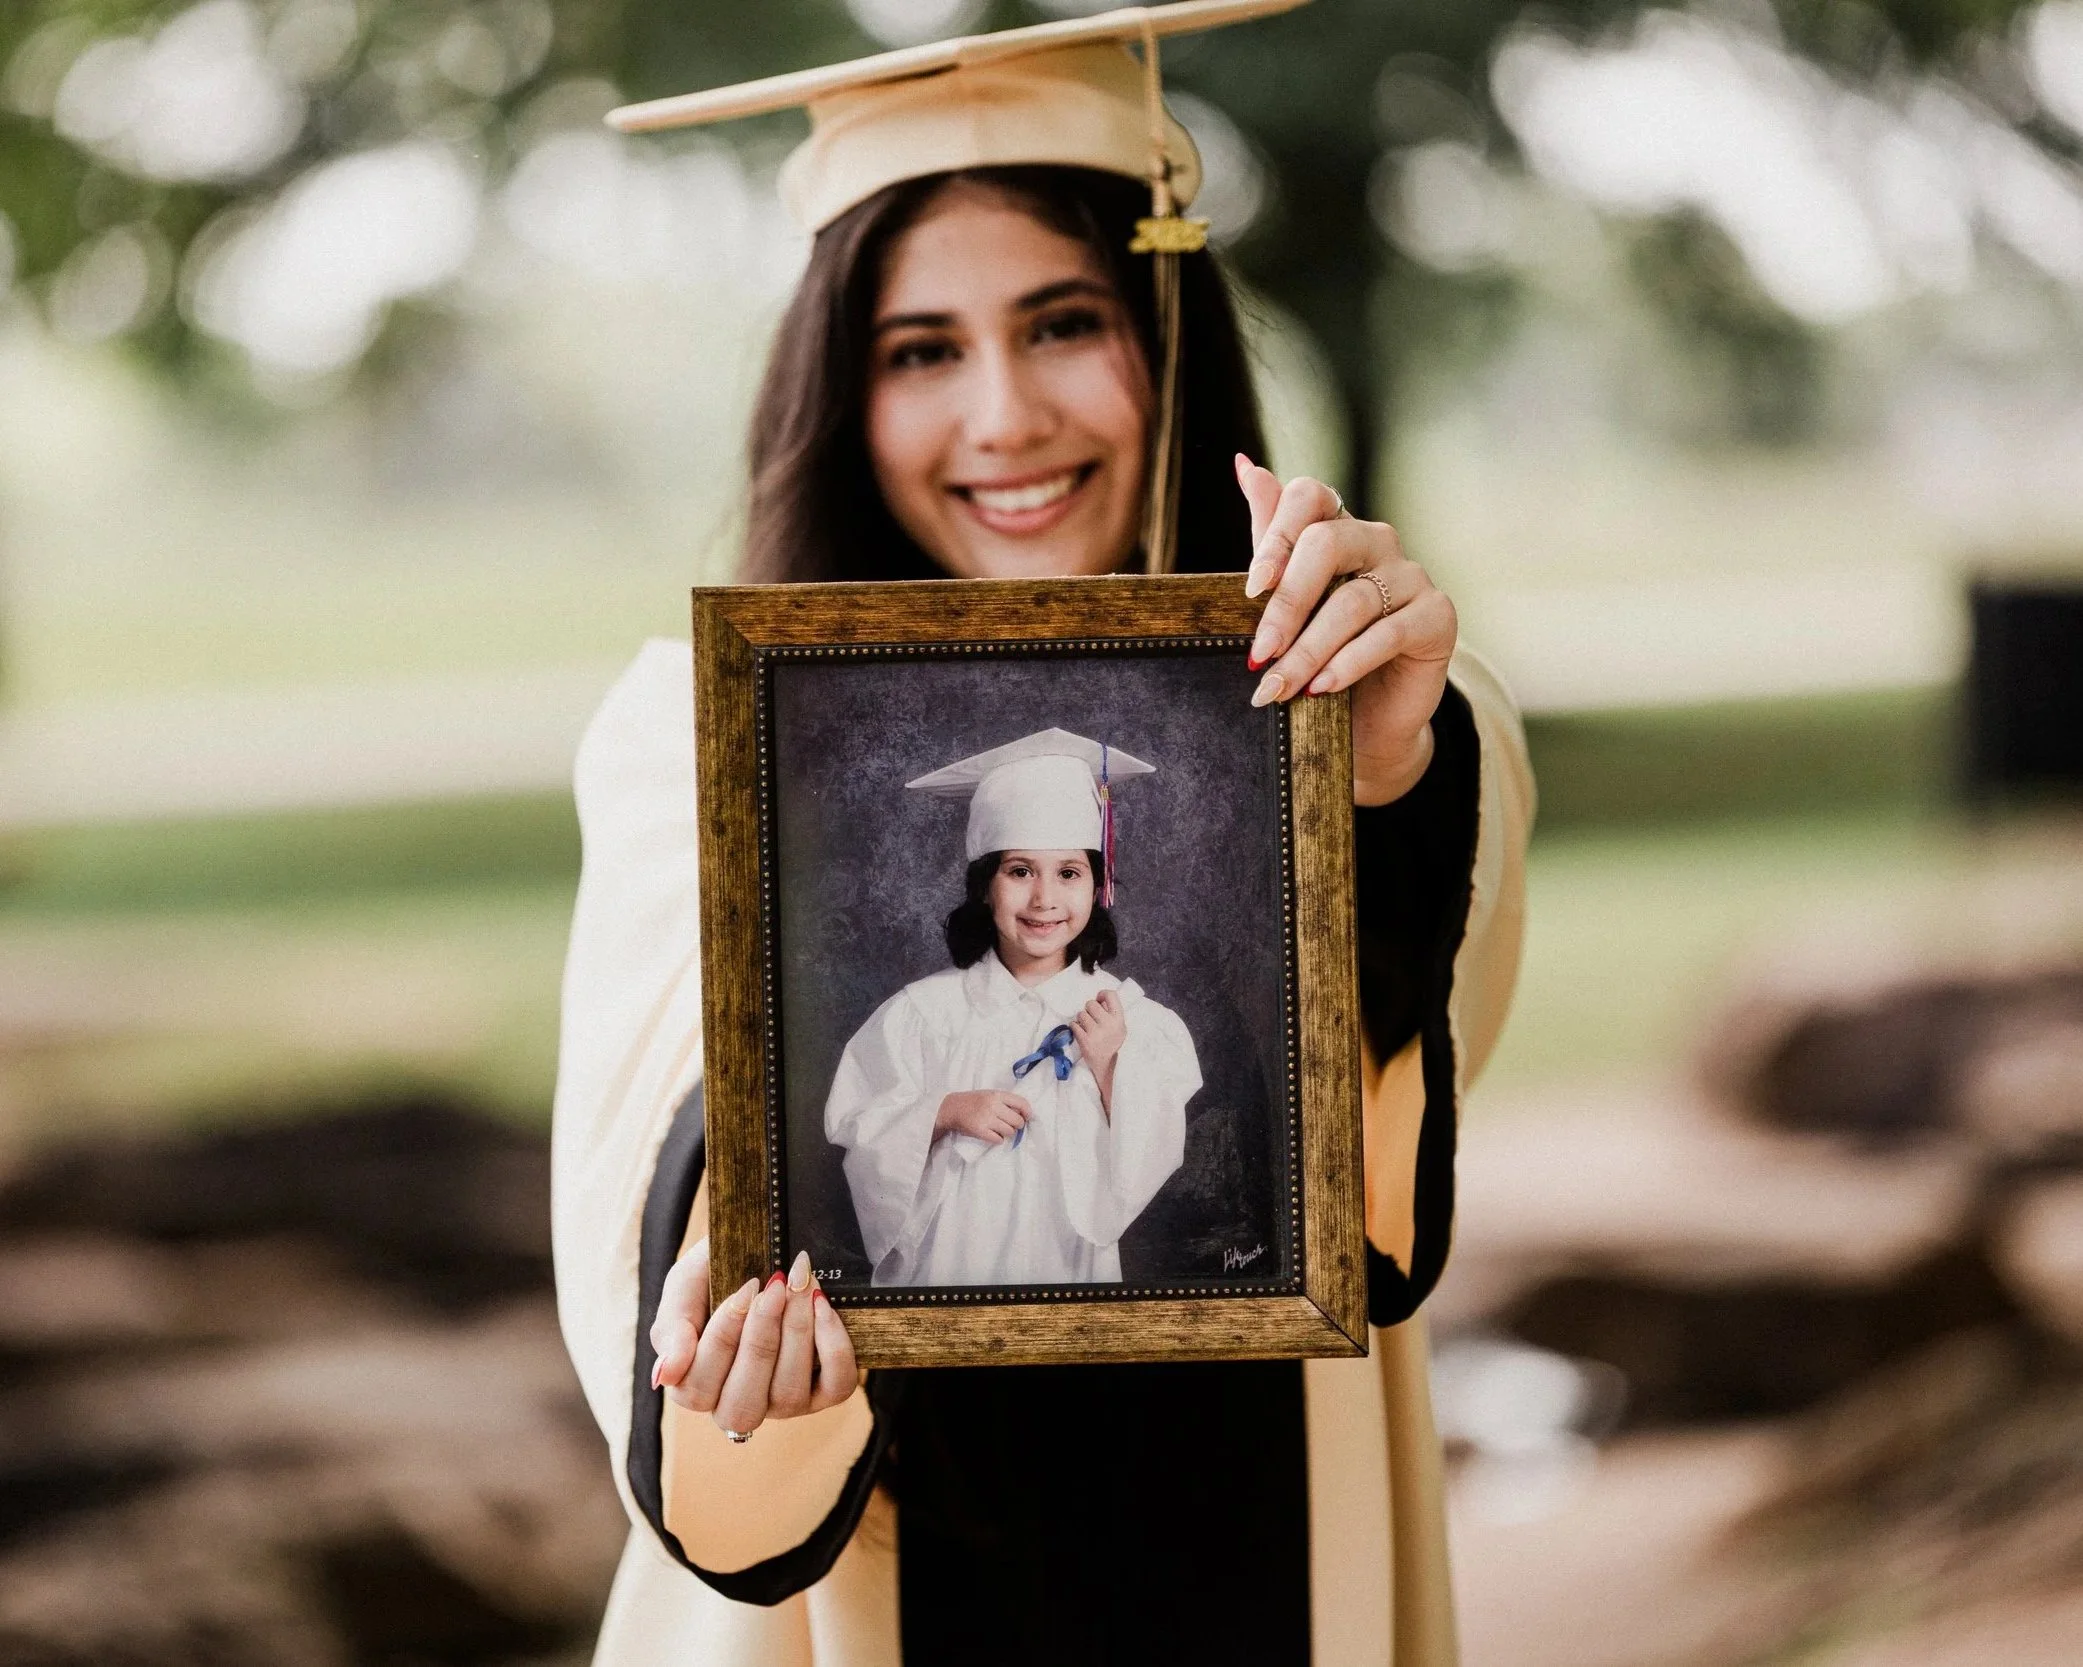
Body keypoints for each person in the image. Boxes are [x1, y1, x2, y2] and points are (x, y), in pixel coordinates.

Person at [550, 4, 1535, 1664]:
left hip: (1261, 1526)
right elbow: (674, 1238)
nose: (1000, 415)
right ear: (839, 391)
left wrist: (1375, 773)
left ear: (1166, 328)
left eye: (1064, 321)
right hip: (872, 1568)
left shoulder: (1384, 708)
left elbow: (1344, 1194)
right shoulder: (685, 744)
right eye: (920, 348)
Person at [827, 730, 1200, 1288]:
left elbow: (1152, 1153)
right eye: (1020, 871)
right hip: (946, 1277)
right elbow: (858, 1126)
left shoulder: (1134, 1021)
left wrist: (1108, 1066)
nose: (1045, 899)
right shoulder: (923, 1015)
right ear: (985, 886)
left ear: (1098, 885)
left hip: (1072, 1278)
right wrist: (944, 1111)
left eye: (1069, 873)